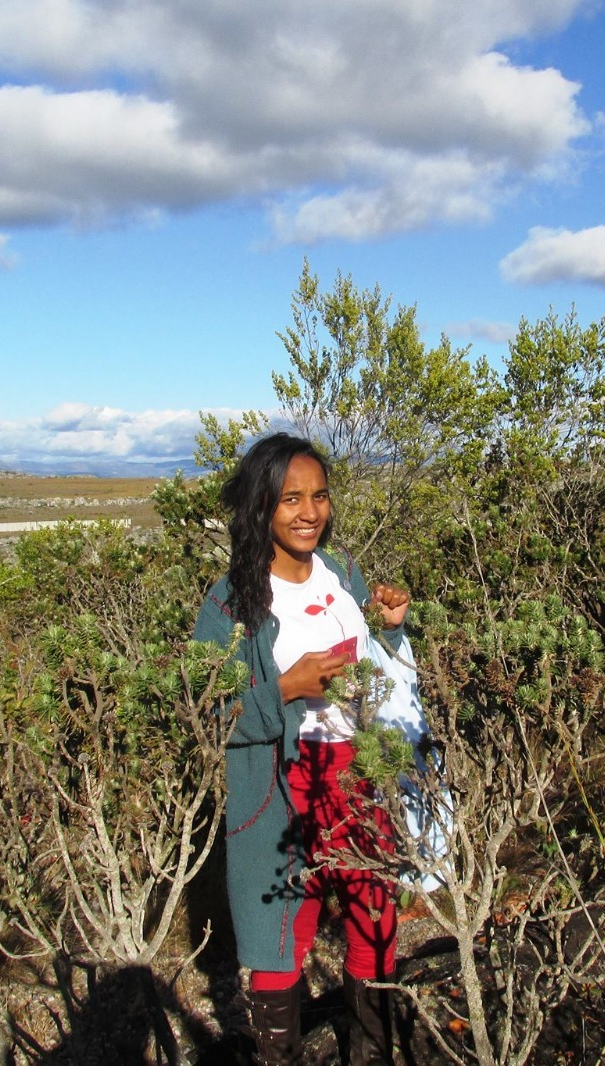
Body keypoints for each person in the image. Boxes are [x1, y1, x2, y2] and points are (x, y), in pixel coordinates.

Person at [193, 433, 410, 1066]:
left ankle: (371, 1054)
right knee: (281, 937)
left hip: (360, 776)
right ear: (260, 505)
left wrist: (391, 630)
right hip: (282, 784)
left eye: (319, 496)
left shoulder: (342, 573)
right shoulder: (230, 601)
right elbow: (207, 714)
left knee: (374, 921)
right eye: (290, 498)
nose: (309, 512)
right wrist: (286, 688)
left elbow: (379, 672)